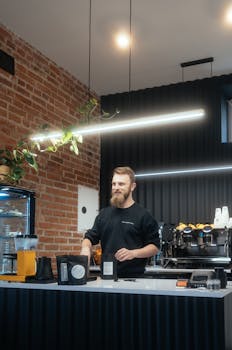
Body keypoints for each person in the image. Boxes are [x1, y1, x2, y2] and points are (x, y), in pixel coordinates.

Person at [80, 166, 160, 278]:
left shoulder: (143, 215)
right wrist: (85, 248)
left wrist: (133, 253)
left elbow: (155, 247)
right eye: (114, 184)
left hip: (134, 279)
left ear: (132, 186)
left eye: (121, 184)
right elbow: (89, 237)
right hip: (106, 278)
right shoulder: (104, 214)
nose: (116, 187)